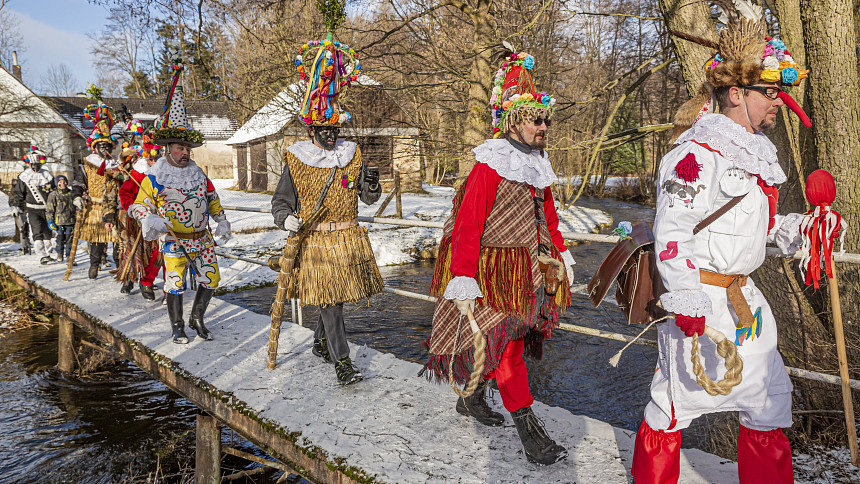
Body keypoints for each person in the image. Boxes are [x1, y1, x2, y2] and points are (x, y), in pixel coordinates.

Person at [631, 3, 810, 483]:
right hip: (701, 302)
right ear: (736, 92)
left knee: (768, 403)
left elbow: (759, 227)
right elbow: (672, 232)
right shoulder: (695, 154)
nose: (779, 102)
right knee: (671, 406)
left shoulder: (754, 156)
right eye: (770, 92)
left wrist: (805, 230)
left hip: (746, 303)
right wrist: (686, 299)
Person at [424, 52, 576, 466]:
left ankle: (471, 398)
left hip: (529, 272)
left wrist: (560, 250)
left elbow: (547, 216)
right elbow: (468, 223)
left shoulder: (538, 164)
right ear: (513, 121)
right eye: (535, 120)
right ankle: (530, 431)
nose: (543, 127)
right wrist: (462, 277)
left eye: (546, 120)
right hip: (492, 274)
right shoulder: (489, 164)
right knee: (506, 349)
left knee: (505, 342)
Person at [271, 26, 382, 386]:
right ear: (310, 130)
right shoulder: (297, 159)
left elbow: (367, 199)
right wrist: (286, 219)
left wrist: (372, 185)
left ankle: (321, 342)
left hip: (348, 239)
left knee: (337, 297)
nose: (331, 136)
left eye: (334, 129)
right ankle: (343, 363)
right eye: (324, 130)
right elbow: (280, 202)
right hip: (317, 242)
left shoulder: (351, 154)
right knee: (331, 301)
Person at [129, 63, 231, 344]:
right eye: (179, 148)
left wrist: (221, 219)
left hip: (203, 240)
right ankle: (177, 326)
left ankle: (197, 318)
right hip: (174, 241)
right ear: (168, 149)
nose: (184, 152)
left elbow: (212, 199)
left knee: (210, 279)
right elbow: (138, 206)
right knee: (174, 284)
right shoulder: (156, 177)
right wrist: (148, 219)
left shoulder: (198, 174)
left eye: (187, 148)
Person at [72, 91, 120, 279]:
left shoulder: (117, 166)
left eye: (108, 146)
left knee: (118, 241)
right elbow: (78, 183)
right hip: (94, 207)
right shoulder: (87, 164)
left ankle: (119, 268)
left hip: (114, 208)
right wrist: (77, 196)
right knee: (96, 241)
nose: (105, 150)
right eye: (101, 146)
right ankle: (94, 265)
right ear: (95, 147)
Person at [118, 131, 163, 301]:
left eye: (157, 158)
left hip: (157, 221)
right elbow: (124, 193)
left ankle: (147, 281)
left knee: (156, 253)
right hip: (137, 220)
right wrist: (134, 209)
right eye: (151, 159)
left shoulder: (166, 174)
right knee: (132, 251)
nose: (154, 162)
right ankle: (128, 278)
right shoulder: (137, 174)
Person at [12, 146, 54, 264]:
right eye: (33, 164)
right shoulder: (24, 177)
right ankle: (41, 255)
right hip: (32, 209)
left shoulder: (48, 176)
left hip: (47, 209)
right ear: (29, 164)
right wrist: (16, 206)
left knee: (47, 232)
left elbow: (54, 192)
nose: (35, 166)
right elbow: (19, 193)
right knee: (36, 231)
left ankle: (48, 253)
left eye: (37, 164)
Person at [45, 175, 76, 262]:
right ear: (56, 183)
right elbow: (49, 209)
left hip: (70, 221)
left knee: (69, 239)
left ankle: (69, 256)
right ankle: (59, 253)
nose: (62, 184)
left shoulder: (71, 193)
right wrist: (50, 220)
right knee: (60, 239)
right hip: (59, 222)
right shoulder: (53, 195)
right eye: (60, 182)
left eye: (64, 182)